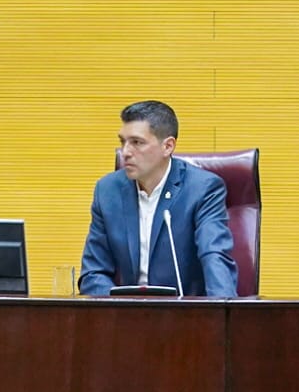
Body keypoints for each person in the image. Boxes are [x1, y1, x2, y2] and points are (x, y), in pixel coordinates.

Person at [79, 100, 238, 298]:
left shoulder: (202, 189)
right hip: (126, 310)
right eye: (123, 142)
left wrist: (222, 309)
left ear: (167, 146)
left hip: (187, 311)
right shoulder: (108, 191)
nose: (125, 152)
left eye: (137, 142)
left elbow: (214, 255)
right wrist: (117, 308)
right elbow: (94, 273)